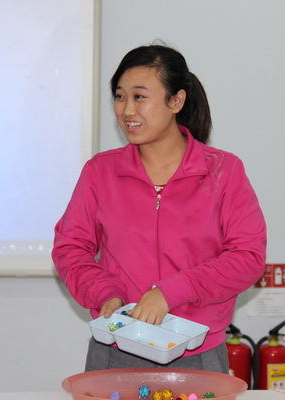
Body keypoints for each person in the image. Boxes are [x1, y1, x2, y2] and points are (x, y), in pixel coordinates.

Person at [52, 44, 267, 373]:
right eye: (120, 96)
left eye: (139, 97)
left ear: (176, 101)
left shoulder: (223, 171)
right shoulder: (100, 171)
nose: (127, 110)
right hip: (116, 349)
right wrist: (105, 293)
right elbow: (70, 248)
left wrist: (172, 292)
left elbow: (247, 258)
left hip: (197, 354)